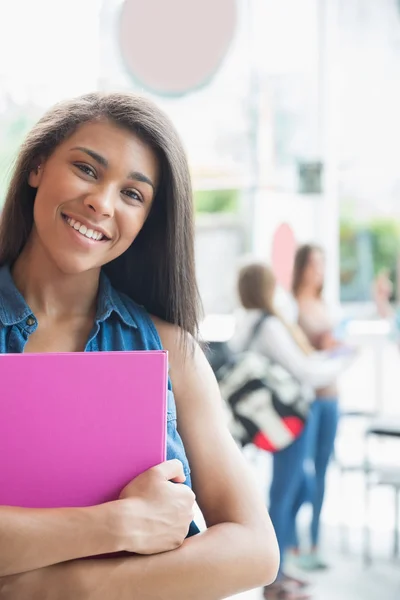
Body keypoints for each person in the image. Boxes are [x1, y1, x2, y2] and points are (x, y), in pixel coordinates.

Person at [0, 92, 279, 599]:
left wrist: (56, 587)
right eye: (87, 169)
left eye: (133, 194)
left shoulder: (174, 351)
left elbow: (256, 550)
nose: (102, 203)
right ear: (37, 166)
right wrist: (121, 524)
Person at [229, 262, 352, 600]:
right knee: (287, 492)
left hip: (271, 421)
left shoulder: (244, 324)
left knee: (292, 488)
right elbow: (305, 372)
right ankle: (276, 575)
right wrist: (344, 358)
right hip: (292, 418)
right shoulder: (269, 325)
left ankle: (281, 565)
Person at [290, 244, 352, 571]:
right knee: (303, 471)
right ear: (301, 267)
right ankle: (293, 540)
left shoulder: (326, 305)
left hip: (332, 396)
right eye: (313, 264)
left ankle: (314, 539)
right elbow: (298, 352)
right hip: (308, 398)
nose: (318, 270)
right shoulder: (293, 306)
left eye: (322, 264)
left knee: (324, 468)